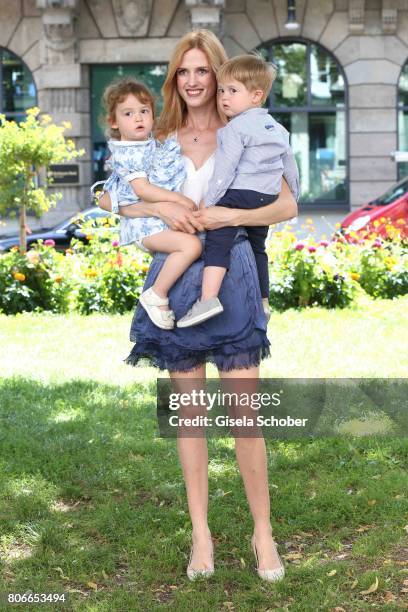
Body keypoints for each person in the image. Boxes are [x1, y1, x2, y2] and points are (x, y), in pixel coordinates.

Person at [98, 30, 298, 582]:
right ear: (174, 78)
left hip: (232, 276)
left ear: (219, 74)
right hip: (175, 279)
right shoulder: (156, 134)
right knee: (190, 416)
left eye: (202, 71)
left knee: (246, 415)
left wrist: (224, 218)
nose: (192, 80)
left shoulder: (250, 130)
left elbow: (286, 204)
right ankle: (201, 535)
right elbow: (116, 193)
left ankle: (264, 534)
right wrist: (164, 211)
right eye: (182, 71)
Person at [177, 53, 299, 328]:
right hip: (265, 196)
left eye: (232, 91)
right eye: (222, 90)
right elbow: (289, 166)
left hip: (242, 193)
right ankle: (264, 301)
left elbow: (225, 170)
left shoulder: (235, 128)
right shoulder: (277, 128)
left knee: (219, 237)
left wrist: (212, 203)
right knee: (259, 248)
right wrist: (295, 191)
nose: (224, 97)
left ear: (256, 96)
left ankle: (207, 298)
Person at [100, 77, 202, 330]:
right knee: (190, 246)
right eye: (128, 113)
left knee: (193, 238)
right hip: (143, 227)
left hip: (152, 222)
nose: (138, 118)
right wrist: (179, 198)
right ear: (114, 122)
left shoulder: (147, 145)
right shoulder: (127, 152)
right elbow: (142, 189)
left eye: (144, 111)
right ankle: (157, 294)